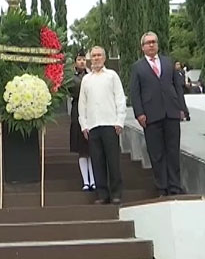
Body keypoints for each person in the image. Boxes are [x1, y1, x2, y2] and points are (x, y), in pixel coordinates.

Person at [130, 31, 186, 197]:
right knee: (157, 153)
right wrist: (139, 113)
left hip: (171, 113)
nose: (152, 45)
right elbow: (135, 92)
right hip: (151, 116)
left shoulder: (168, 63)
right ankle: (162, 187)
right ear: (143, 47)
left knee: (173, 151)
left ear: (158, 44)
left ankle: (175, 186)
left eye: (154, 42)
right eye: (148, 43)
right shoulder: (138, 67)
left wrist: (181, 108)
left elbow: (177, 87)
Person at [78, 46, 126, 205]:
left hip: (110, 124)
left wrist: (120, 121)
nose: (96, 58)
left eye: (99, 55)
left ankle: (116, 193)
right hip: (93, 126)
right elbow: (82, 104)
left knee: (113, 161)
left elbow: (120, 99)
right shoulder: (86, 79)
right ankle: (102, 194)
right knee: (97, 162)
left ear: (104, 58)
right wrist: (84, 125)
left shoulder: (112, 76)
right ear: (91, 59)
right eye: (94, 56)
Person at [69, 50, 95, 191]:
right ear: (75, 62)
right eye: (79, 59)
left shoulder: (92, 75)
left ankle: (94, 180)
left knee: (92, 149)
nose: (82, 62)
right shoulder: (72, 78)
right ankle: (86, 181)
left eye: (84, 59)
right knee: (82, 150)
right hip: (77, 111)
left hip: (91, 111)